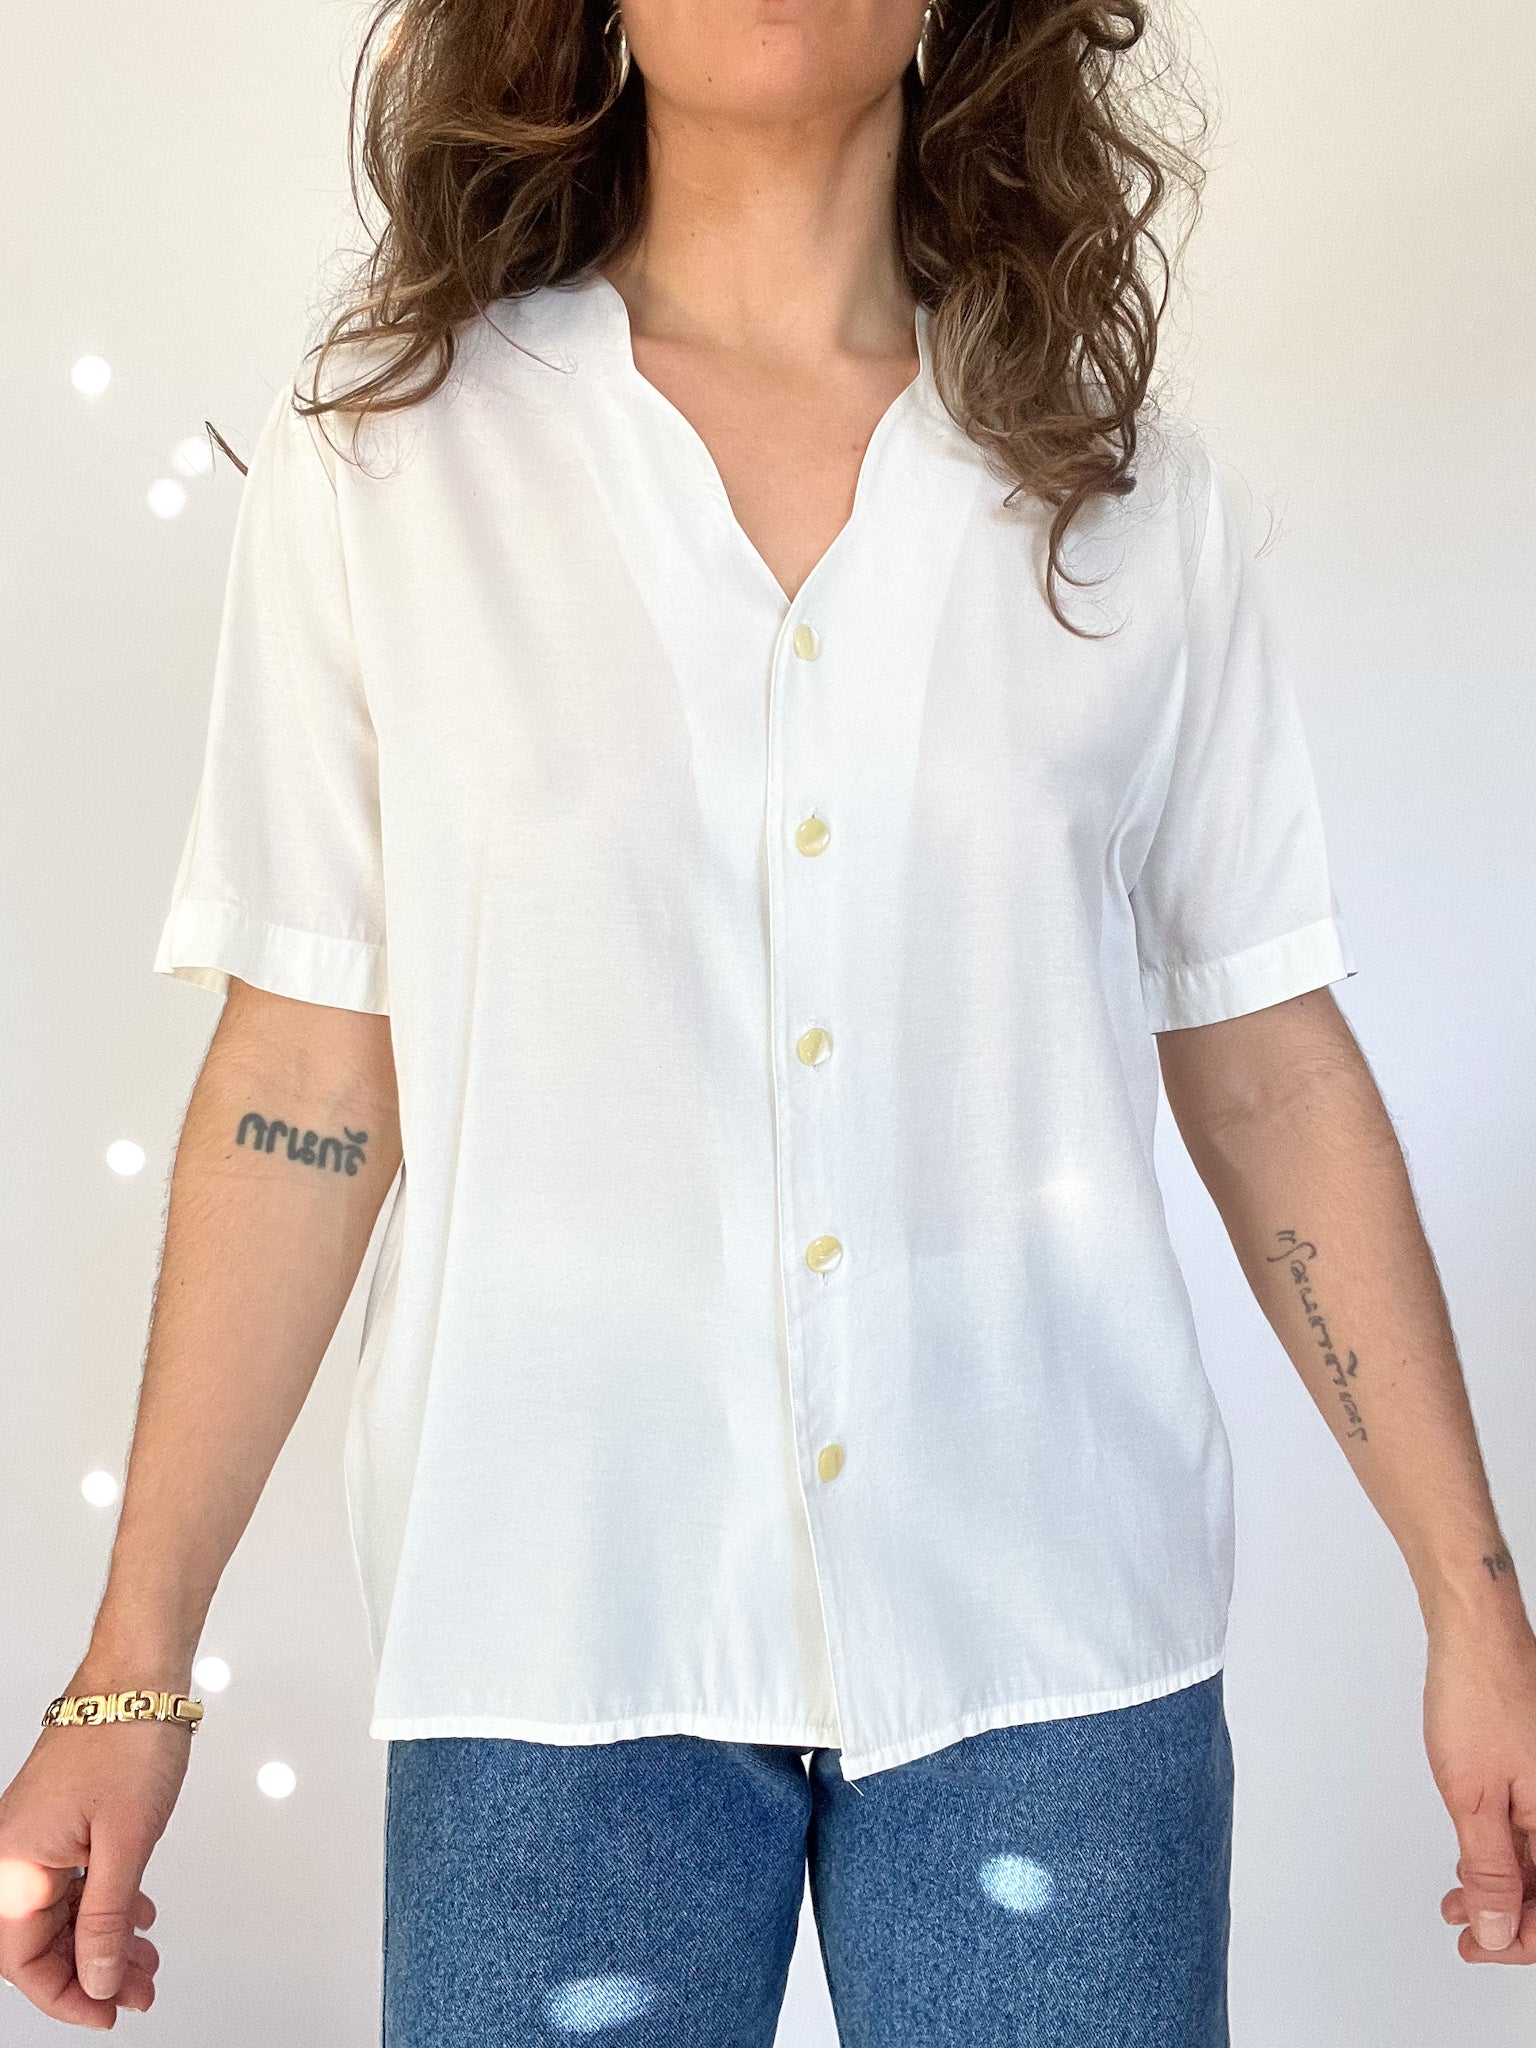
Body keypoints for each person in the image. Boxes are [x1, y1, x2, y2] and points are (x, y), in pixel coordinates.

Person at [2, 0, 1533, 2037]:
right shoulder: (389, 466)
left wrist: (1475, 1606)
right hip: (554, 1646)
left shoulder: (1125, 497)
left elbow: (1268, 1066)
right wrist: (130, 1670)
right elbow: (306, 1072)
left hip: (1058, 1647)